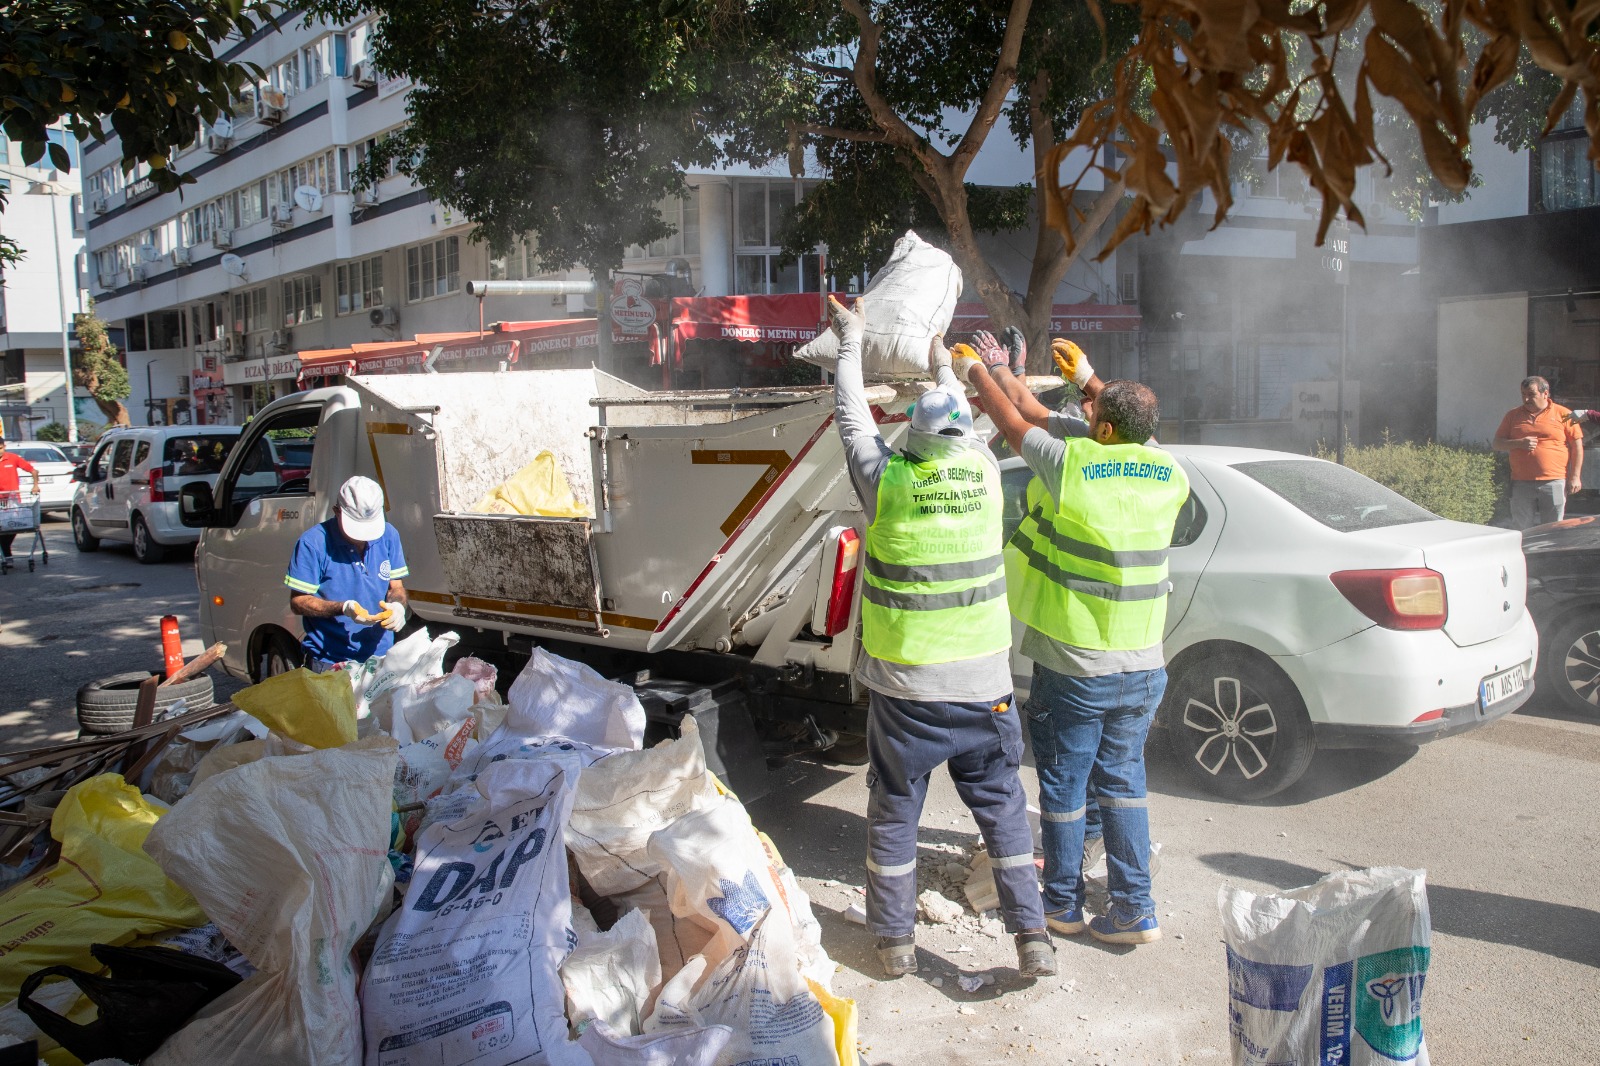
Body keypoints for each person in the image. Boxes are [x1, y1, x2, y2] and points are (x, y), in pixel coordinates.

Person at [828, 295, 1055, 980]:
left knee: (896, 812)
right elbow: (956, 403)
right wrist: (940, 359)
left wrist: (852, 338)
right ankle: (1033, 938)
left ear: (914, 438)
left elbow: (849, 411)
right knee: (1005, 818)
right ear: (963, 436)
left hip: (907, 692)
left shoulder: (886, 480)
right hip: (984, 688)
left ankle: (894, 943)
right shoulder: (985, 473)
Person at [962, 342, 1188, 946]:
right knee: (1124, 783)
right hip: (1143, 665)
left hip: (1077, 662)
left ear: (1105, 428)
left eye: (1092, 415)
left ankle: (1061, 904)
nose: (1085, 420)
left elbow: (1014, 423)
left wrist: (975, 372)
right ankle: (1134, 909)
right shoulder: (1169, 471)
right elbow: (1057, 414)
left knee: (1063, 786)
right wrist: (1089, 379)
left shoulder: (1075, 467)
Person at [285, 475, 409, 670]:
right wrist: (343, 608)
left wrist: (398, 606)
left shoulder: (389, 534)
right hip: (329, 658)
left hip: (381, 655)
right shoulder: (313, 543)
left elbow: (397, 587)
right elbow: (298, 602)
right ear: (336, 512)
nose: (362, 539)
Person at [1493, 376, 1583, 529]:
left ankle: (1551, 553)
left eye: (1531, 394)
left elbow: (1577, 447)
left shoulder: (1564, 414)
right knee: (1522, 529)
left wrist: (1575, 477)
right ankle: (1526, 553)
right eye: (1523, 394)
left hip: (1554, 481)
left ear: (1545, 394)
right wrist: (1519, 443)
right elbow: (1497, 443)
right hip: (1521, 483)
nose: (1526, 398)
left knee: (1553, 528)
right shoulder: (1512, 415)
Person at [0, 434, 41, 567]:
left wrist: (35, 485)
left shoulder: (12, 458)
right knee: (2, 528)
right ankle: (7, 555)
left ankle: (6, 553)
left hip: (13, 500)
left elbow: (33, 470)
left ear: (4, 447)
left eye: (0, 448)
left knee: (13, 526)